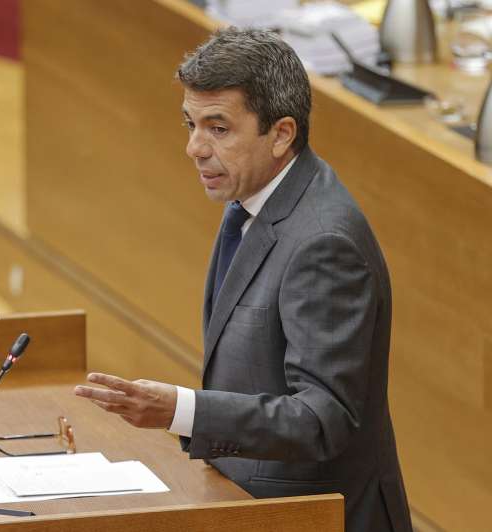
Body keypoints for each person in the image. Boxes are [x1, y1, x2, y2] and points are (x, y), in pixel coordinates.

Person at [74, 27, 413, 532]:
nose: (194, 147)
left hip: (318, 516)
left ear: (280, 134)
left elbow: (323, 419)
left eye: (218, 128)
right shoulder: (258, 202)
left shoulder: (324, 243)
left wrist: (182, 411)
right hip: (247, 501)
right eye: (191, 123)